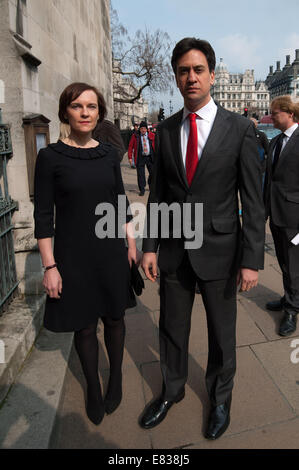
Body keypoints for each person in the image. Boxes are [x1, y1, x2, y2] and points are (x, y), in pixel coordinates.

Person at [140, 38, 265, 440]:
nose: (190, 77)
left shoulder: (241, 128)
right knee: (171, 329)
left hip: (221, 252)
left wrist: (252, 259)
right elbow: (158, 192)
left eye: (198, 70)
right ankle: (172, 390)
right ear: (175, 77)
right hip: (175, 252)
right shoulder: (166, 129)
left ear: (212, 74)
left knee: (220, 334)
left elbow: (253, 199)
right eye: (182, 71)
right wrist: (148, 247)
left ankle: (220, 398)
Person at [34, 82, 139, 426]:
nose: (84, 113)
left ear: (99, 113)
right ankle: (93, 387)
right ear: (65, 110)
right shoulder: (49, 157)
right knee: (83, 326)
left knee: (114, 318)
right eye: (77, 106)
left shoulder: (108, 154)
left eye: (91, 107)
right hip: (72, 254)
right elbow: (44, 216)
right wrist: (49, 265)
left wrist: (131, 243)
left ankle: (117, 378)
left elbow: (120, 201)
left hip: (110, 249)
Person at [264, 95, 299, 336]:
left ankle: (292, 310)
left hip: (295, 217)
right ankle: (289, 297)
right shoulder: (276, 142)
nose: (272, 116)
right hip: (277, 215)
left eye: (275, 113)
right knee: (285, 263)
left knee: (295, 265)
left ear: (289, 114)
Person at [128, 121, 155, 196]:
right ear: (140, 129)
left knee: (153, 173)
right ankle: (142, 189)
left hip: (150, 157)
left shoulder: (152, 135)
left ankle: (151, 185)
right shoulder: (135, 136)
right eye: (142, 128)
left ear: (147, 129)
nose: (143, 130)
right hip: (140, 157)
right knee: (140, 175)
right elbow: (130, 146)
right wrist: (130, 157)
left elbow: (156, 145)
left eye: (144, 128)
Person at [250, 117, 269, 187]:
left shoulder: (261, 135)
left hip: (260, 167)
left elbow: (268, 151)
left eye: (254, 124)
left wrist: (264, 164)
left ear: (256, 125)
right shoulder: (245, 135)